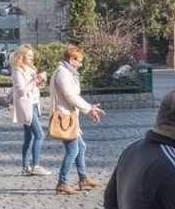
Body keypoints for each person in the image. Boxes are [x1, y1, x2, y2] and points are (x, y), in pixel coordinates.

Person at [49, 45, 106, 195]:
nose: (80, 64)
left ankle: (83, 178)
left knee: (81, 147)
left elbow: (74, 96)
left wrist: (88, 107)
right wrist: (88, 108)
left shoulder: (69, 72)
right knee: (73, 150)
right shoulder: (63, 72)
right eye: (79, 61)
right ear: (71, 59)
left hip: (70, 117)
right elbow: (70, 95)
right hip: (65, 117)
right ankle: (62, 182)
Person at [10, 44, 51, 176]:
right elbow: (21, 90)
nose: (31, 58)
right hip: (25, 106)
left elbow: (35, 86)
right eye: (29, 56)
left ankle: (25, 167)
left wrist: (40, 81)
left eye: (32, 56)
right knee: (39, 135)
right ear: (22, 56)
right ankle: (36, 166)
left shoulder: (30, 69)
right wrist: (35, 80)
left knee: (28, 137)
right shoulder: (17, 71)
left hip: (33, 104)